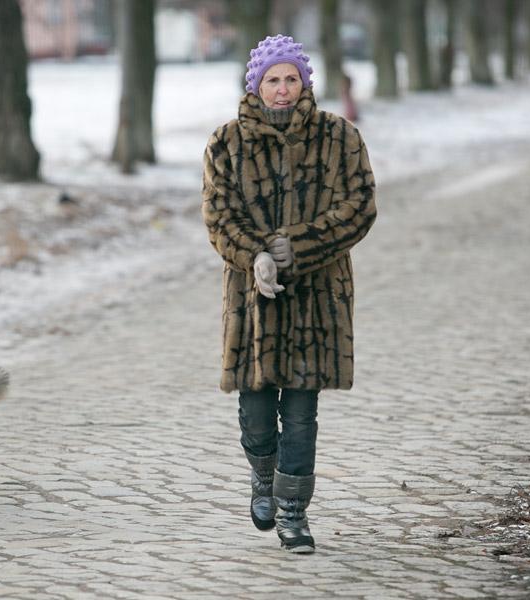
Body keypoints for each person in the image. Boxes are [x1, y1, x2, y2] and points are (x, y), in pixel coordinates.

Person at [201, 34, 377, 554]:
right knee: (256, 412)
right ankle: (263, 476)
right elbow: (218, 216)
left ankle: (294, 515)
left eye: (291, 79)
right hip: (252, 299)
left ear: (306, 83)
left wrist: (294, 247)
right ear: (255, 85)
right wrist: (255, 253)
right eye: (272, 80)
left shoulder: (340, 138)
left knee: (301, 413)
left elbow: (360, 206)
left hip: (317, 299)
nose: (282, 89)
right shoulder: (225, 143)